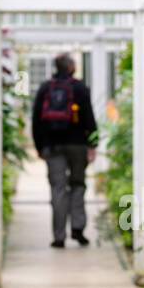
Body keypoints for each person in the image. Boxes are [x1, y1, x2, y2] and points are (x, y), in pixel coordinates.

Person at [31, 53, 98, 248]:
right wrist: (93, 144)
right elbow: (89, 116)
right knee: (78, 184)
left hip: (53, 145)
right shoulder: (79, 87)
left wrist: (39, 146)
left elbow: (36, 119)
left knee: (58, 189)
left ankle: (59, 236)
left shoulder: (45, 88)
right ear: (69, 66)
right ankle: (78, 229)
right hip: (77, 145)